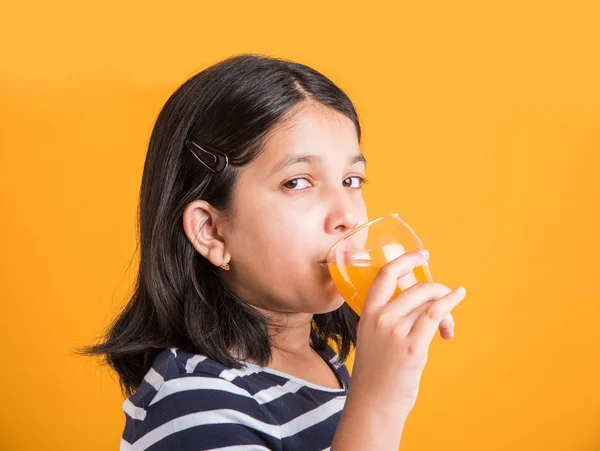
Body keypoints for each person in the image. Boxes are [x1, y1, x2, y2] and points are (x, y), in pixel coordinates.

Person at [82, 53, 467, 450]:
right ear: (211, 231)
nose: (347, 216)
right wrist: (379, 404)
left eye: (351, 179)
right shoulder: (195, 404)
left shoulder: (321, 361)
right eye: (298, 182)